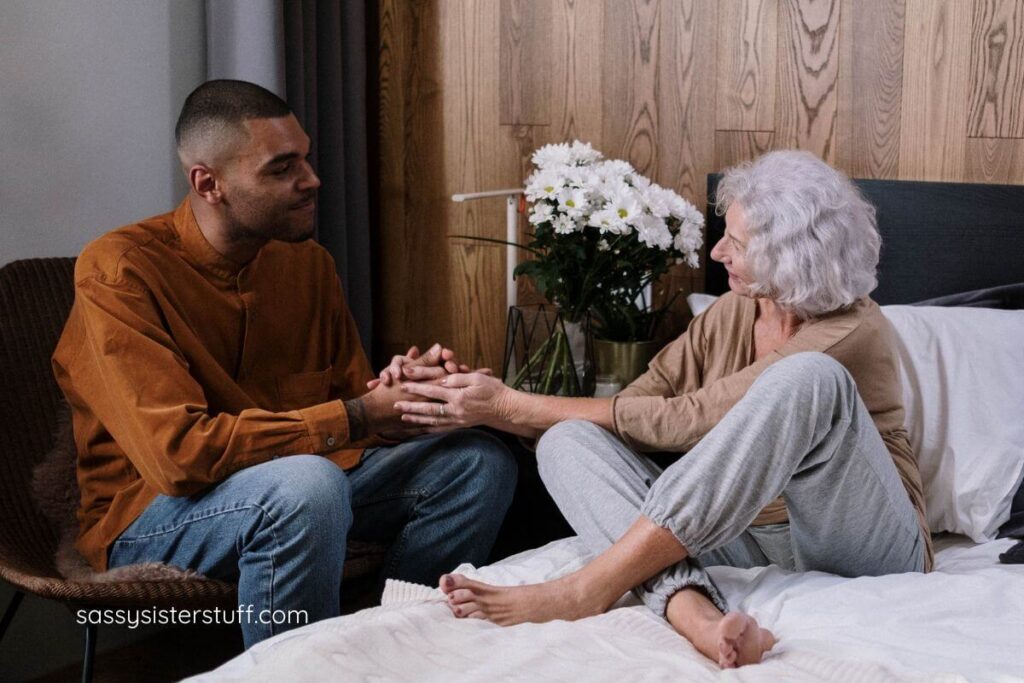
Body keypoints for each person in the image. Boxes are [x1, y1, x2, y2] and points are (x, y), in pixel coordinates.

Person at [391, 150, 931, 668]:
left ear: (792, 256)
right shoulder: (732, 313)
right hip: (743, 539)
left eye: (735, 245)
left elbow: (692, 417)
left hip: (863, 544)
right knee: (567, 438)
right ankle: (697, 617)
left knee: (809, 379)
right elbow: (637, 407)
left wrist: (509, 405)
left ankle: (591, 585)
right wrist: (497, 400)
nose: (717, 255)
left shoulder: (852, 332)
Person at [52, 79, 517, 647]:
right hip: (152, 512)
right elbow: (178, 458)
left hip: (301, 480)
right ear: (209, 184)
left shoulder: (308, 266)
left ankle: (396, 643)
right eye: (282, 168)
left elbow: (355, 418)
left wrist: (412, 398)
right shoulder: (118, 271)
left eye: (308, 158)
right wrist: (354, 414)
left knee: (476, 462)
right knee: (307, 486)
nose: (312, 180)